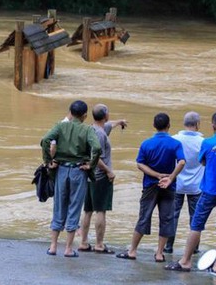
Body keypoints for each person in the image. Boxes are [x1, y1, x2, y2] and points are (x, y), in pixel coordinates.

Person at [166, 111, 216, 274]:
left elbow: (203, 161)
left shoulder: (207, 143)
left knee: (196, 225)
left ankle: (185, 261)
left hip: (209, 191)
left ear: (213, 126)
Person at [116, 112, 185, 263]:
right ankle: (159, 253)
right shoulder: (175, 144)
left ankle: (132, 250)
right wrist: (169, 177)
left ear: (154, 126)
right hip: (169, 186)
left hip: (150, 186)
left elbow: (140, 164)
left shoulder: (146, 143)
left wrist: (156, 175)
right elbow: (181, 162)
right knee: (166, 219)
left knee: (144, 217)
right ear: (169, 126)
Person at [40, 100, 101, 257]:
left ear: (70, 112)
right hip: (78, 171)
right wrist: (91, 165)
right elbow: (97, 148)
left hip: (61, 170)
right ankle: (68, 248)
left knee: (59, 206)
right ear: (85, 116)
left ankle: (53, 246)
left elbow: (45, 140)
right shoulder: (87, 130)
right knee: (74, 207)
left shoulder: (60, 126)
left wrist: (48, 161)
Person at [78, 104, 127, 254]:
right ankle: (99, 245)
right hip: (100, 176)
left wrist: (119, 122)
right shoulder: (100, 134)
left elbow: (108, 125)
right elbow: (96, 156)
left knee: (87, 210)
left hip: (88, 176)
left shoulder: (92, 129)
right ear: (105, 115)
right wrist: (109, 171)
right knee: (100, 211)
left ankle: (84, 243)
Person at [164, 111, 204, 255]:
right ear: (198, 125)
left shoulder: (174, 139)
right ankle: (194, 248)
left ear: (184, 123)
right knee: (196, 217)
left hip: (176, 183)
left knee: (172, 215)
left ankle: (168, 246)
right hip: (196, 186)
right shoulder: (203, 142)